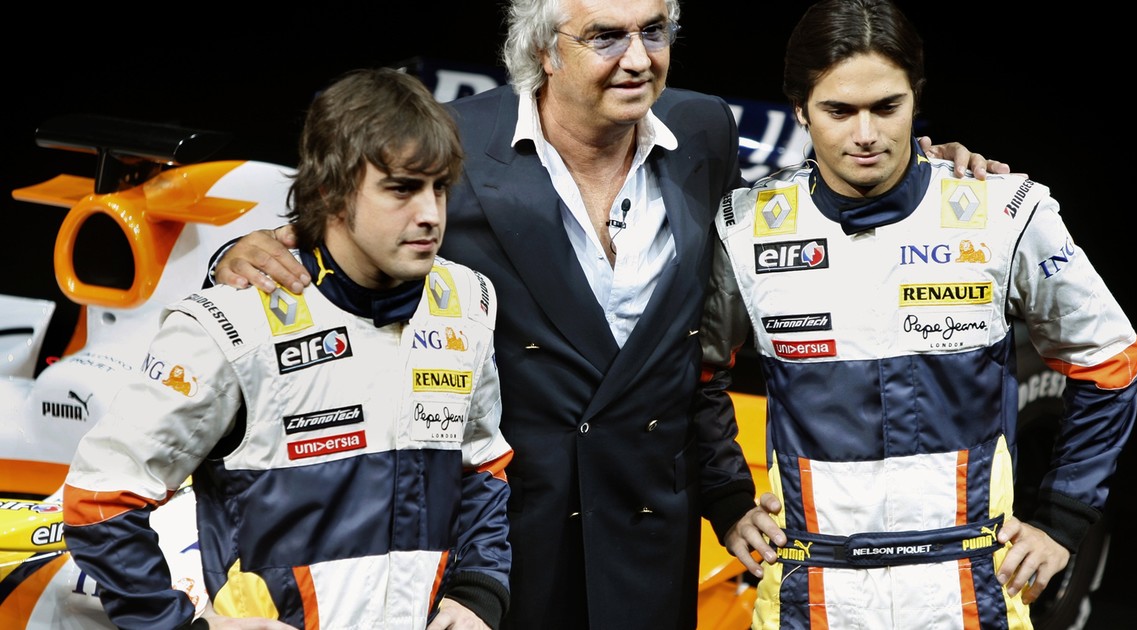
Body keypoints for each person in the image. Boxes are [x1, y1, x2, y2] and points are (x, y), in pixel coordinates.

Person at [210, 2, 1007, 628]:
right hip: (500, 551)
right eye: (605, 36)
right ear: (544, 50)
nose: (638, 57)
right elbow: (345, 224)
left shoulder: (706, 129)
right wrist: (243, 251)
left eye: (654, 31)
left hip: (651, 541)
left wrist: (929, 170)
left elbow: (809, 201)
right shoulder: (460, 139)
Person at [704, 1, 1137, 628]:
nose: (866, 134)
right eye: (839, 111)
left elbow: (1109, 358)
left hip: (970, 592)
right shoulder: (744, 229)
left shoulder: (1004, 212)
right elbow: (694, 374)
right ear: (800, 109)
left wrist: (1062, 521)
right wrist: (726, 499)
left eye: (887, 107)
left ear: (916, 98)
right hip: (812, 592)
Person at [62, 67, 513, 630]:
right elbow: (100, 498)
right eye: (401, 189)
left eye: (439, 188)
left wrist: (479, 591)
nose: (430, 215)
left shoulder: (466, 302)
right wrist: (180, 626)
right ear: (331, 191)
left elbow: (481, 465)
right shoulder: (232, 322)